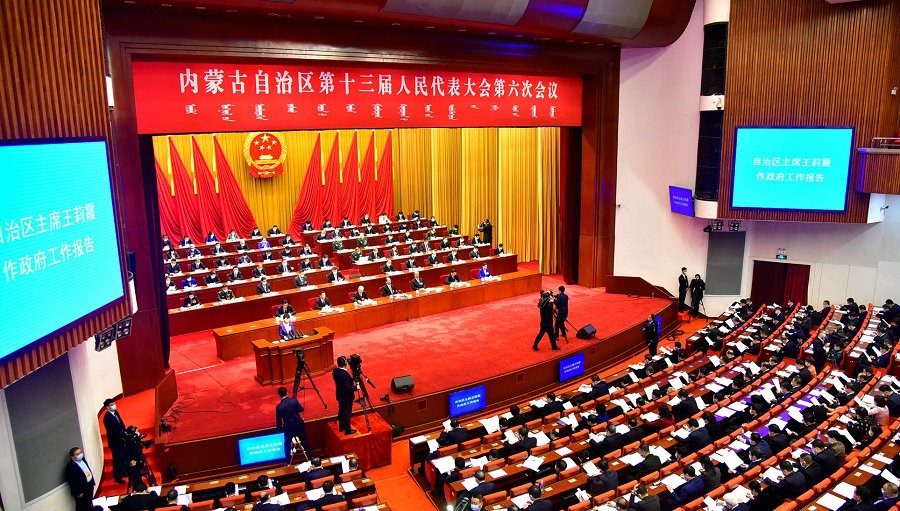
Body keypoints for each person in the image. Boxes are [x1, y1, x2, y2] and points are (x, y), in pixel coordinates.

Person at [275, 386, 310, 459]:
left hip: (288, 427)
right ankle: (310, 456)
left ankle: (288, 459)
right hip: (298, 424)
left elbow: (279, 420)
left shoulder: (279, 407)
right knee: (304, 440)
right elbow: (301, 409)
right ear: (287, 392)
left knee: (287, 444)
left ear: (279, 395)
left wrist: (279, 430)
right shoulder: (294, 400)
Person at [102, 398, 128, 483]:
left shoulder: (116, 412)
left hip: (122, 440)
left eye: (114, 403)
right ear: (107, 407)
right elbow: (112, 431)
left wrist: (124, 431)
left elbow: (121, 423)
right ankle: (118, 477)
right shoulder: (107, 418)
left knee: (123, 458)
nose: (114, 405)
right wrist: (121, 434)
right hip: (115, 442)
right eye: (111, 405)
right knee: (117, 460)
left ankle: (123, 471)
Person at [65, 447, 95, 511]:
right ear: (72, 457)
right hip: (82, 491)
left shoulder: (83, 460)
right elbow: (72, 482)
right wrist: (78, 492)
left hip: (89, 486)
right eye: (77, 454)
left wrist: (92, 482)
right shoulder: (70, 467)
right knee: (82, 506)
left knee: (89, 503)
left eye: (80, 452)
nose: (80, 455)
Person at [333, 356, 357, 435]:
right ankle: (348, 430)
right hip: (346, 397)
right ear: (345, 363)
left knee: (341, 410)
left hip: (340, 395)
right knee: (347, 412)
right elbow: (347, 387)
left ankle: (342, 427)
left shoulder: (335, 371)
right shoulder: (344, 374)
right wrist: (356, 388)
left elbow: (345, 382)